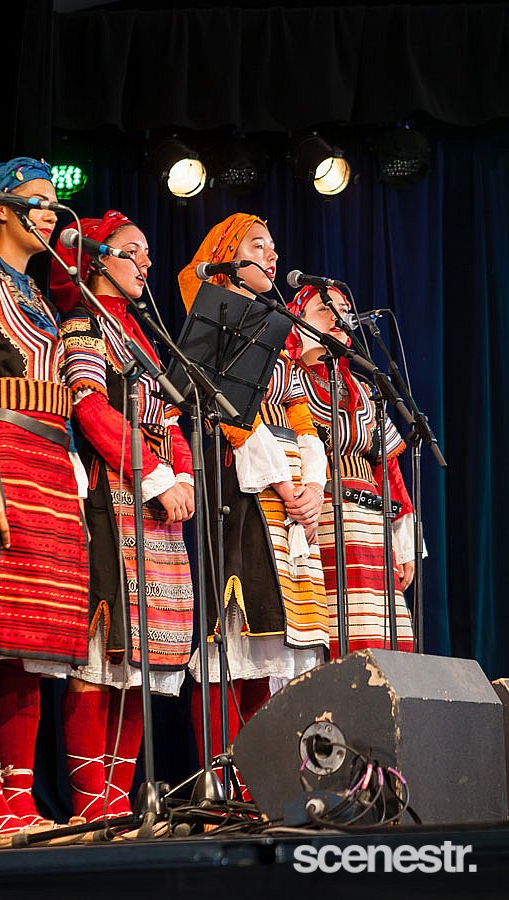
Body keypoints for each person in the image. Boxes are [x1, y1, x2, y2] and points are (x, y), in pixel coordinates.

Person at [0, 157, 90, 838]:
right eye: (38, 201)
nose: (51, 215)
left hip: (49, 462)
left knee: (32, 640)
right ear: (0, 208)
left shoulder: (42, 297)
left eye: (56, 204)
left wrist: (74, 469)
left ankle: (22, 797)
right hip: (0, 457)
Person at [50, 210, 195, 821]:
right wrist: (157, 475)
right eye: (133, 250)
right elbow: (90, 409)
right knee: (104, 649)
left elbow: (173, 420)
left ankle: (118, 800)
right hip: (109, 495)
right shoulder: (83, 325)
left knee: (143, 662)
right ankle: (92, 806)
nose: (146, 263)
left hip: (156, 508)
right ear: (97, 258)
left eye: (148, 252)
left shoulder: (138, 336)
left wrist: (183, 476)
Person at [178, 213, 329, 763]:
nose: (272, 255)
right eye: (258, 245)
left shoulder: (279, 335)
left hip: (289, 496)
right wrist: (286, 485)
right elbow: (230, 417)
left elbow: (301, 412)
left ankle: (261, 776)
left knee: (275, 643)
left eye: (274, 246)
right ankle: (220, 774)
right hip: (240, 489)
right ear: (226, 256)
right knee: (233, 639)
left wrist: (314, 484)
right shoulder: (215, 324)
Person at [286, 284, 415, 655]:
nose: (336, 317)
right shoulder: (289, 380)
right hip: (323, 517)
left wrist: (403, 540)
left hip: (372, 523)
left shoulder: (363, 389)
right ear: (298, 320)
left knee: (384, 633)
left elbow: (388, 468)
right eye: (324, 309)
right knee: (338, 628)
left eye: (342, 310)